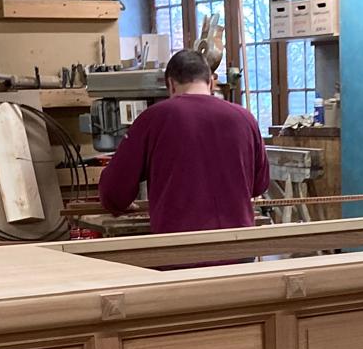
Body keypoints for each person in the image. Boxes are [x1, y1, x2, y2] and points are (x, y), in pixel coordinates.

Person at [98, 49, 270, 234]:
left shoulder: (153, 118)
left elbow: (113, 191)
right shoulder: (245, 118)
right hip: (239, 242)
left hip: (180, 245)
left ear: (171, 84)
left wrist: (118, 204)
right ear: (211, 82)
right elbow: (259, 185)